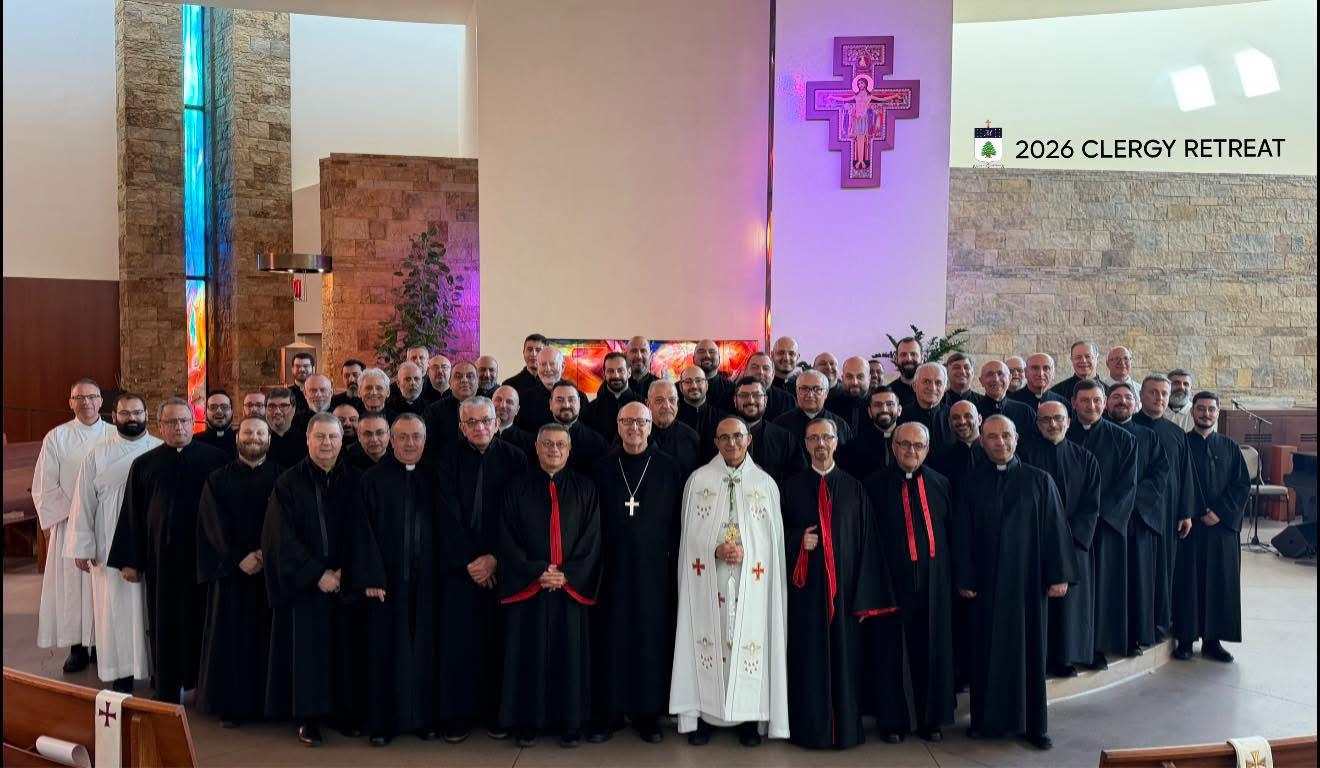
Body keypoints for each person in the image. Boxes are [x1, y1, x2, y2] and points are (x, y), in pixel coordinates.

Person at [953, 415, 1074, 750]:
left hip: (1027, 584)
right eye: (992, 437)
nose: (1000, 442)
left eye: (1006, 436)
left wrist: (1059, 574)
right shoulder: (971, 481)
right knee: (984, 654)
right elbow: (961, 532)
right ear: (982, 441)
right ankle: (984, 722)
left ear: (1017, 438)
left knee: (1031, 654)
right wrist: (964, 576)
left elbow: (1055, 529)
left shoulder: (1039, 480)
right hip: (985, 585)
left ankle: (1034, 726)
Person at [671, 417, 788, 747]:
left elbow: (772, 542)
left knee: (748, 640)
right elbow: (689, 535)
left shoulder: (764, 484)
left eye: (737, 436)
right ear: (716, 442)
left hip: (751, 580)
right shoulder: (699, 481)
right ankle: (705, 715)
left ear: (748, 439)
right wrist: (714, 548)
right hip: (709, 577)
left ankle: (748, 718)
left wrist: (748, 551)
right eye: (724, 437)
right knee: (708, 637)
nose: (732, 443)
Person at [107, 398, 228, 703]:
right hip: (163, 562)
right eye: (172, 422)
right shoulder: (145, 465)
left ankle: (205, 687)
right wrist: (130, 561)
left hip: (205, 559)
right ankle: (168, 685)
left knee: (206, 621)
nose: (179, 427)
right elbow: (132, 514)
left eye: (185, 421)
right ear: (159, 427)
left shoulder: (215, 460)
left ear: (193, 423)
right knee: (164, 623)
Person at [784, 419, 894, 749]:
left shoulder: (855, 488)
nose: (820, 444)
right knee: (808, 663)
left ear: (836, 442)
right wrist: (796, 541)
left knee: (847, 665)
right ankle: (808, 731)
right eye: (813, 438)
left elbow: (869, 545)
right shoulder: (790, 487)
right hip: (805, 597)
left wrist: (864, 599)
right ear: (805, 444)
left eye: (826, 437)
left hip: (846, 598)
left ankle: (846, 730)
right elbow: (771, 537)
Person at [497, 423, 602, 748]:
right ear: (537, 448)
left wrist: (568, 572)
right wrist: (537, 570)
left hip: (569, 588)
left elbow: (593, 537)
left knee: (568, 657)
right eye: (547, 444)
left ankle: (570, 723)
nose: (553, 450)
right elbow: (507, 535)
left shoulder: (586, 488)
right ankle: (527, 723)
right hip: (531, 585)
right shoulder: (516, 487)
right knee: (528, 656)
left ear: (569, 450)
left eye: (560, 445)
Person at [262, 413, 364, 746]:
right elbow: (281, 537)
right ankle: (308, 717)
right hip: (306, 585)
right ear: (307, 440)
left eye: (333, 438)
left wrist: (348, 571)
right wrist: (316, 574)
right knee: (309, 654)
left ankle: (344, 713)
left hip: (345, 582)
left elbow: (366, 531)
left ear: (341, 440)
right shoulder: (288, 483)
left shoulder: (357, 480)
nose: (327, 443)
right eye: (320, 437)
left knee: (347, 649)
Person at [587, 403, 684, 744]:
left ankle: (648, 715)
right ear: (618, 424)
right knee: (611, 638)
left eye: (641, 422)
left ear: (650, 426)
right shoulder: (600, 468)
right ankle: (610, 712)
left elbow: (678, 522)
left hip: (655, 570)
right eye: (627, 421)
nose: (634, 428)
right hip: (611, 569)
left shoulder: (669, 468)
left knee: (650, 639)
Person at [435, 396, 527, 741]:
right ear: (461, 426)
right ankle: (458, 716)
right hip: (460, 570)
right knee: (459, 645)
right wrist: (470, 561)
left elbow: (518, 517)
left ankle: (496, 714)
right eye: (471, 422)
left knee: (497, 643)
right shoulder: (445, 458)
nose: (480, 427)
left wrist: (495, 559)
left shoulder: (516, 459)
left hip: (501, 568)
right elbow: (445, 514)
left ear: (497, 421)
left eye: (485, 420)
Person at [863, 422, 954, 743]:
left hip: (935, 586)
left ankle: (932, 720)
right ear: (893, 447)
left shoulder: (942, 484)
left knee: (932, 650)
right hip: (891, 583)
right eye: (904, 445)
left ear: (927, 449)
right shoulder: (873, 486)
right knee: (891, 654)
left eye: (918, 446)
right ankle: (893, 722)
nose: (910, 451)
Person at [352, 413, 439, 746]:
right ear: (390, 440)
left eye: (416, 436)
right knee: (385, 652)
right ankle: (382, 724)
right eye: (402, 437)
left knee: (426, 652)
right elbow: (362, 531)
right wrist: (371, 576)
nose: (409, 443)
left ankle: (424, 720)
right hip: (386, 584)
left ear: (425, 439)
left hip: (428, 582)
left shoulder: (434, 477)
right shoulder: (372, 479)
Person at [66, 392, 160, 693]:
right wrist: (83, 546)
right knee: (115, 612)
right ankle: (121, 673)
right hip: (109, 549)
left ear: (146, 415)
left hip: (151, 545)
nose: (131, 418)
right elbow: (84, 502)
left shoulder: (160, 450)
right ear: (114, 416)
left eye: (137, 412)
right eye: (125, 413)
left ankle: (159, 670)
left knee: (153, 609)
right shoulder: (98, 454)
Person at [196, 416, 280, 726]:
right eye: (248, 432)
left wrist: (265, 555)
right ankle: (231, 706)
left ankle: (269, 705)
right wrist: (236, 559)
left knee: (269, 640)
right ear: (237, 438)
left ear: (268, 439)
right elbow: (211, 525)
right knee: (231, 640)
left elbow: (287, 525)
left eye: (261, 432)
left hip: (270, 573)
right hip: (231, 574)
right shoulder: (217, 480)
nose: (254, 437)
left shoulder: (281, 477)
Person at [34, 378, 112, 674]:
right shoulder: (56, 438)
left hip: (106, 525)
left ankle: (104, 646)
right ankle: (78, 648)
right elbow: (45, 484)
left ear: (101, 401)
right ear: (70, 402)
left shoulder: (115, 435)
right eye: (79, 398)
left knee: (103, 589)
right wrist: (78, 513)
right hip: (70, 524)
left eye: (92, 397)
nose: (86, 402)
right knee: (73, 590)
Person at [1020, 401, 1101, 678]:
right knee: (1037, 605)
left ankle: (1065, 657)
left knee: (1069, 607)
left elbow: (1091, 505)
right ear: (1037, 423)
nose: (1052, 424)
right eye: (1046, 420)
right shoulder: (1024, 455)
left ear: (1068, 421)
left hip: (1074, 542)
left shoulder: (1086, 458)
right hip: (1035, 542)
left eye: (1058, 419)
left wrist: (1068, 537)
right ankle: (1037, 657)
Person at [1174, 392, 1249, 663]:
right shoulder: (1181, 444)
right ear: (1192, 412)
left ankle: (1213, 641)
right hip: (1190, 528)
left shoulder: (1230, 447)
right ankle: (1184, 639)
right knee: (1187, 583)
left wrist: (1220, 512)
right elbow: (1177, 484)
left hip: (1221, 530)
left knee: (1220, 583)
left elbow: (1241, 485)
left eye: (1211, 410)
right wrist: (1193, 512)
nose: (1206, 414)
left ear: (1218, 413)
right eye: (1201, 409)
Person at [1068, 380, 1137, 670]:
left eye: (1097, 400)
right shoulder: (1063, 433)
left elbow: (1126, 487)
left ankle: (1097, 647)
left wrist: (1097, 518)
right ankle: (1069, 649)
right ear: (1074, 403)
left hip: (1104, 528)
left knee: (1102, 591)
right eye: (1085, 401)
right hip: (1069, 530)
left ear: (1105, 403)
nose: (1092, 406)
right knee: (1072, 592)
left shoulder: (1123, 439)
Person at [1106, 382, 1169, 656]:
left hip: (1137, 520)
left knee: (1137, 581)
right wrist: (1112, 508)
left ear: (1136, 403)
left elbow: (1159, 474)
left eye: (1127, 397)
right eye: (1116, 397)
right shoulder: (1100, 433)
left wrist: (1130, 504)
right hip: (1107, 522)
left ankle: (1135, 636)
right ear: (1107, 402)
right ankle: (1106, 638)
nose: (1122, 402)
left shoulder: (1149, 436)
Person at [1132, 374, 1196, 640]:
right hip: (1136, 513)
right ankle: (1137, 622)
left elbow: (1186, 475)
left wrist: (1186, 512)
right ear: (1142, 396)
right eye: (1153, 393)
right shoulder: (1128, 427)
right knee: (1138, 569)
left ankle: (1160, 621)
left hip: (1168, 512)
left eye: (1163, 394)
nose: (1159, 398)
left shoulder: (1176, 433)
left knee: (1164, 569)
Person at [732, 376, 804, 489]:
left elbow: (798, 479)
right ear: (735, 401)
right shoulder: (721, 435)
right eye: (744, 395)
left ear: (765, 400)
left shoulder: (785, 438)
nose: (751, 400)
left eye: (756, 395)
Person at [773, 370, 852, 458]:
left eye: (817, 389)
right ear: (797, 391)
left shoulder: (841, 426)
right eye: (804, 389)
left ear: (826, 393)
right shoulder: (780, 425)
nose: (810, 395)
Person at [836, 386, 901, 479]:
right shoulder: (853, 447)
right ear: (870, 412)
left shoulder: (911, 444)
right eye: (877, 405)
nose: (884, 409)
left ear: (899, 410)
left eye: (890, 404)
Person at [550, 381, 607, 472]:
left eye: (571, 399)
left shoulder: (597, 442)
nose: (566, 405)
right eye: (559, 400)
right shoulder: (540, 440)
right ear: (550, 404)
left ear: (579, 403)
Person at [423, 361, 480, 452]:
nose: (464, 380)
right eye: (458, 376)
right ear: (450, 382)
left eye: (470, 376)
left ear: (478, 382)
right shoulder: (434, 411)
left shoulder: (487, 408)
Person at [896, 363, 953, 454]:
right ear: (914, 386)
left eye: (938, 383)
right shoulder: (900, 416)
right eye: (926, 381)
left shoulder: (954, 417)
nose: (932, 388)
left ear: (945, 388)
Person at [647, 380, 700, 476]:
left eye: (672, 400)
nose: (667, 406)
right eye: (659, 400)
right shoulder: (637, 435)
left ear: (677, 404)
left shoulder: (691, 437)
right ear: (648, 404)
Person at [678, 364, 728, 462]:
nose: (694, 386)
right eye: (688, 382)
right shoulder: (674, 418)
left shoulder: (723, 419)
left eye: (698, 381)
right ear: (680, 387)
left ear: (706, 384)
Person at [581, 352, 638, 437]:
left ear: (629, 372)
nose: (616, 376)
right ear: (604, 374)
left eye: (620, 370)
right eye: (610, 371)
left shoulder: (642, 404)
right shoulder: (591, 409)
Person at [974, 360, 1035, 438]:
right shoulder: (973, 413)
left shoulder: (1025, 412)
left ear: (1009, 378)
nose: (996, 379)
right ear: (981, 381)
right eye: (990, 374)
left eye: (1001, 374)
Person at [514, 346, 564, 432]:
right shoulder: (524, 399)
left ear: (563, 366)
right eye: (543, 364)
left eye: (552, 364)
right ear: (537, 366)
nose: (548, 369)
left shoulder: (579, 398)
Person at [742, 351, 795, 421]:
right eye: (754, 367)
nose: (760, 372)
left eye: (766, 368)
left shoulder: (787, 401)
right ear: (745, 371)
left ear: (773, 374)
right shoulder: (730, 398)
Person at [825, 356, 871, 434]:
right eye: (849, 377)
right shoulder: (828, 406)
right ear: (842, 379)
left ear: (869, 379)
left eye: (860, 377)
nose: (854, 382)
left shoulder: (879, 406)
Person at [265, 388, 307, 469]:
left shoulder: (306, 440)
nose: (277, 411)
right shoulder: (257, 440)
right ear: (265, 410)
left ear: (293, 409)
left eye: (283, 406)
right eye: (271, 406)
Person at [492, 385, 537, 459]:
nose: (503, 405)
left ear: (517, 410)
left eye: (509, 402)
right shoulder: (479, 434)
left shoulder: (528, 442)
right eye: (498, 400)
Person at [502, 333, 547, 399]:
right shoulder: (509, 385)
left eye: (538, 350)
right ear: (523, 352)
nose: (533, 354)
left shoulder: (552, 385)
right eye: (529, 349)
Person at [694, 339, 735, 409]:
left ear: (719, 358)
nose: (707, 355)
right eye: (701, 351)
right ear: (693, 358)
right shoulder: (680, 389)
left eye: (712, 351)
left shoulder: (732, 389)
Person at [195, 390, 237, 458]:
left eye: (224, 407)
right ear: (205, 412)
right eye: (213, 407)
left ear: (231, 412)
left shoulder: (242, 441)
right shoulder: (194, 441)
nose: (219, 411)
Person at [887, 337, 922, 406]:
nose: (908, 359)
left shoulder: (934, 390)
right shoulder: (888, 393)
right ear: (896, 359)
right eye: (903, 354)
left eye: (913, 354)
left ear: (923, 358)